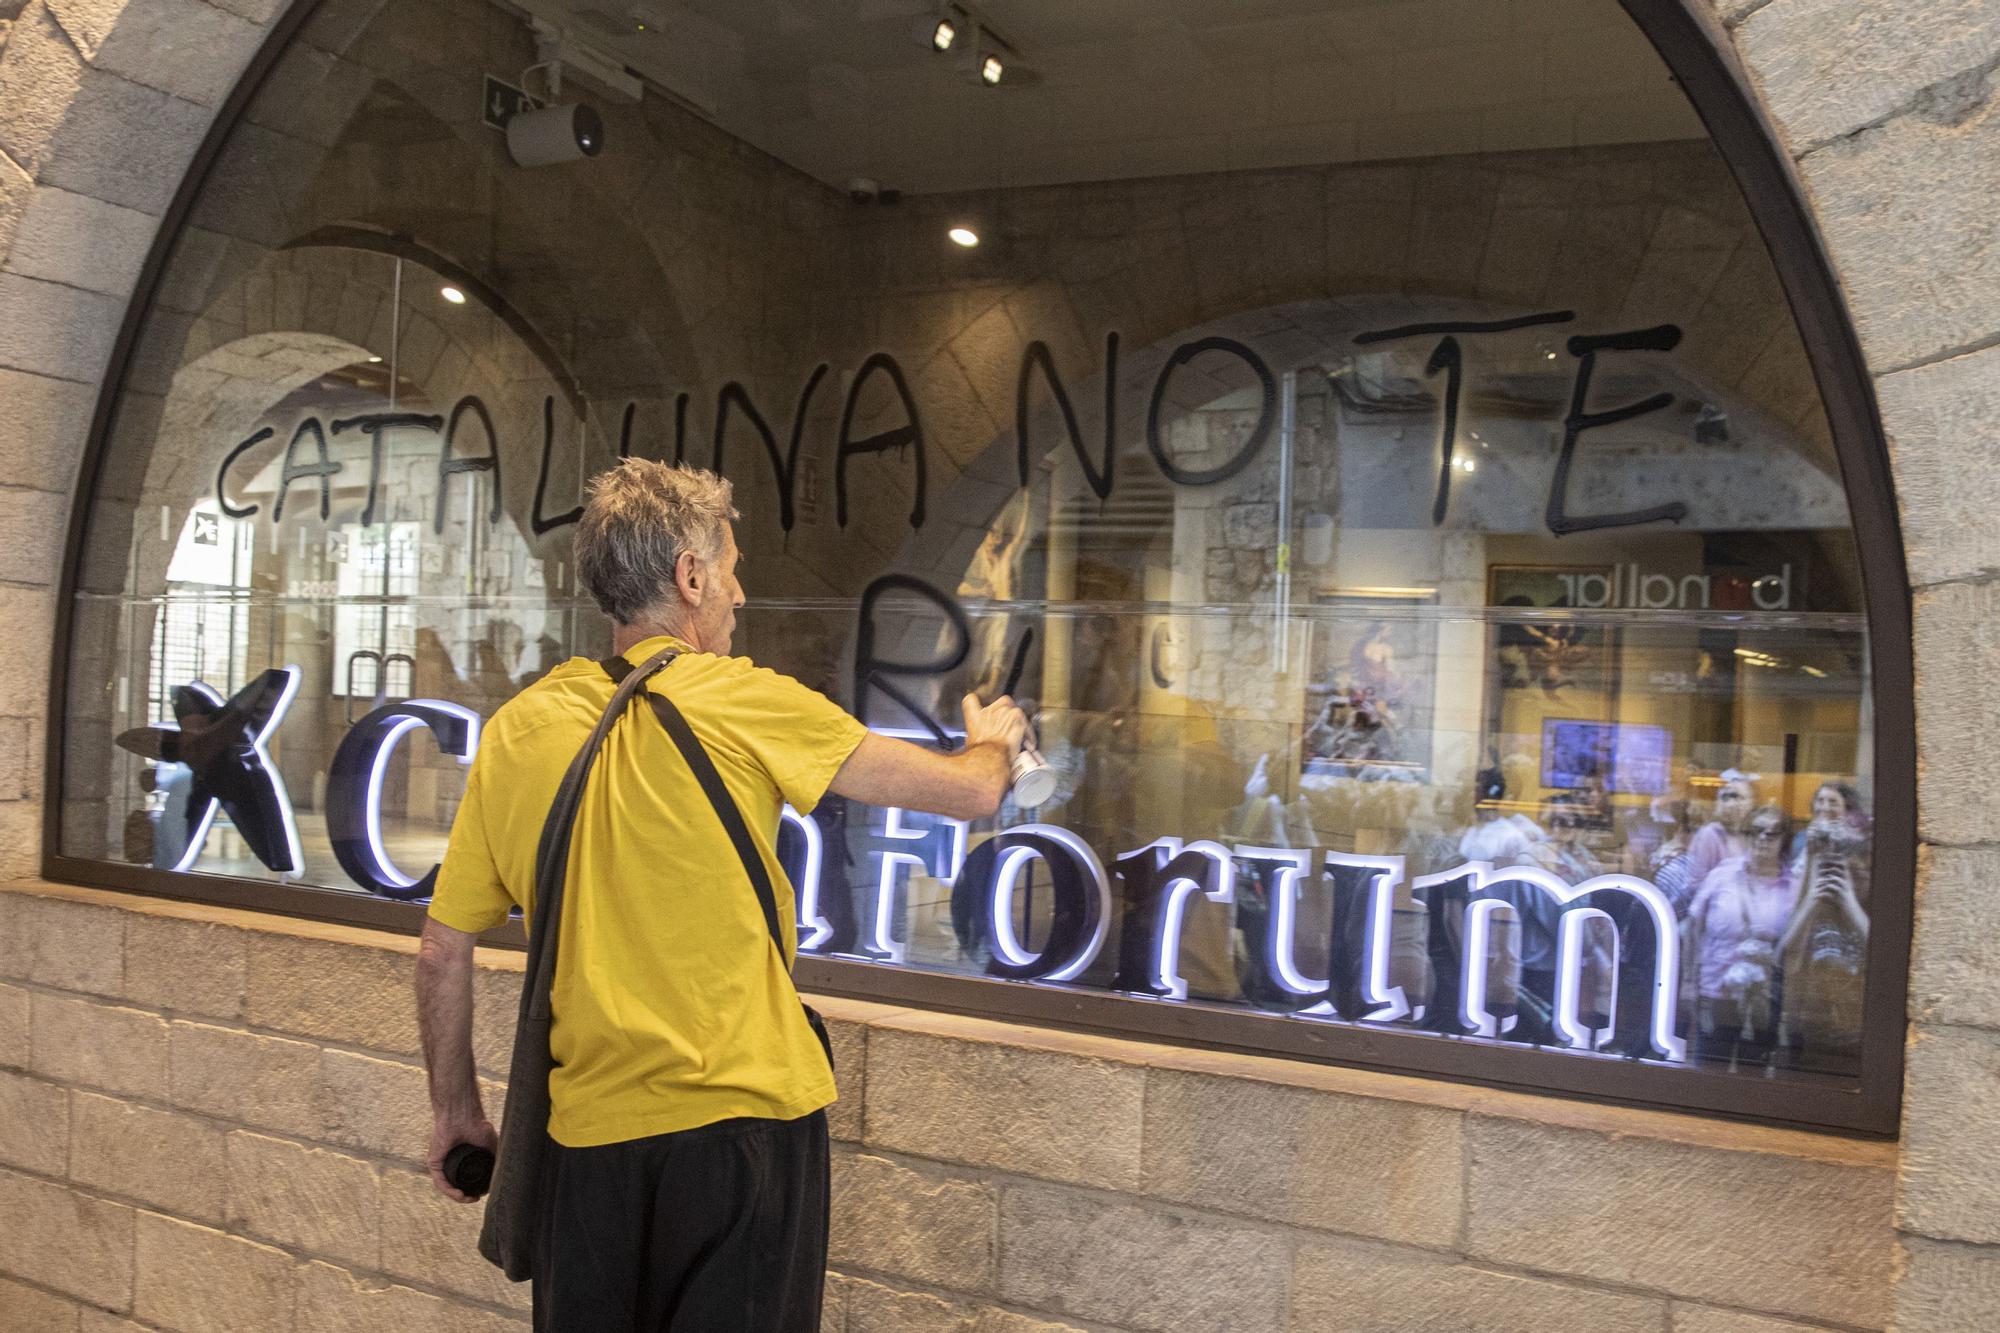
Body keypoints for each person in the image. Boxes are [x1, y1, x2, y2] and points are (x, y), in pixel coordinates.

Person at [414, 460, 1027, 1332]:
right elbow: (968, 792)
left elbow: (443, 948)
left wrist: (455, 1111)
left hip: (588, 1145)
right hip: (743, 1137)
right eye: (732, 568)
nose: (739, 594)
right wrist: (995, 741)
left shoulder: (520, 728)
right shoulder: (747, 702)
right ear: (689, 576)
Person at [1685, 803, 1797, 1070]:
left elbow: (1795, 946)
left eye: (1773, 833)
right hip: (1716, 990)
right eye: (1756, 831)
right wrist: (1689, 982)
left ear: (1785, 840)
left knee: (1752, 1078)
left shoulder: (1793, 886)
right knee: (1709, 1072)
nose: (1762, 839)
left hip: (1764, 997)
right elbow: (1693, 926)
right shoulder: (1723, 874)